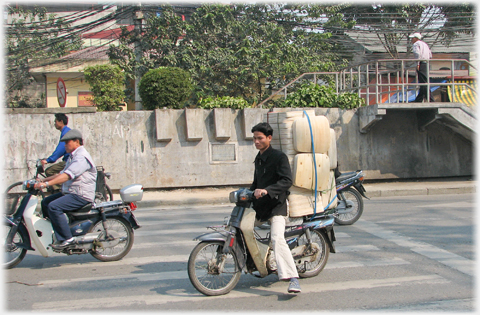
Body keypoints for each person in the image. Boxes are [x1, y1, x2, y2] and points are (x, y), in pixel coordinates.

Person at [249, 122, 301, 294]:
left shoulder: (279, 157)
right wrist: (246, 193)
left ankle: (293, 278)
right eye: (254, 138)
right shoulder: (258, 158)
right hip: (262, 206)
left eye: (259, 138)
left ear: (269, 138)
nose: (256, 141)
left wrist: (267, 190)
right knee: (241, 226)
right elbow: (256, 183)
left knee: (277, 238)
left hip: (277, 205)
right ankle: (257, 261)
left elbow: (287, 181)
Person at [35, 129, 97, 250]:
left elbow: (67, 176)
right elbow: (61, 173)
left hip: (81, 195)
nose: (65, 145)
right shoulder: (72, 156)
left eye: (67, 142)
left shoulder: (81, 157)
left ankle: (67, 239)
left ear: (76, 142)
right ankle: (56, 229)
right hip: (72, 192)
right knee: (45, 202)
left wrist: (46, 184)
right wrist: (42, 181)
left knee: (54, 207)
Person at [41, 113, 71, 190]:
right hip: (68, 159)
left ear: (61, 121)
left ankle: (59, 191)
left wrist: (48, 160)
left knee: (49, 171)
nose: (55, 124)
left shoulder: (66, 133)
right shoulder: (66, 131)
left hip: (68, 160)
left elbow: (60, 150)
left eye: (55, 121)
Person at [409, 32, 434, 102]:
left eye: (412, 38)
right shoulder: (425, 44)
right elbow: (430, 54)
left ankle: (431, 99)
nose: (411, 40)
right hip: (426, 63)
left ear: (416, 38)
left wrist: (417, 63)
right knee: (423, 81)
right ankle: (419, 99)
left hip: (421, 63)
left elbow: (417, 53)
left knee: (424, 82)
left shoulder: (416, 44)